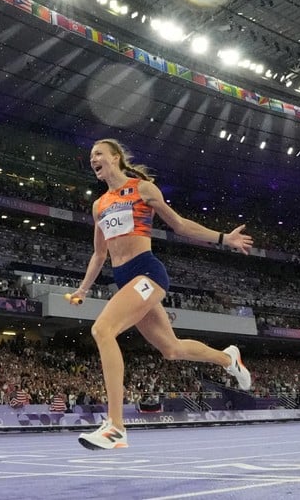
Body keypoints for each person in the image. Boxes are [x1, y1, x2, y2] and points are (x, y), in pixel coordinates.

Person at [70, 138, 254, 450]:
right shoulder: (98, 205)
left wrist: (224, 238)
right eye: (91, 155)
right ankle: (228, 358)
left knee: (102, 329)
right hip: (124, 279)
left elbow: (180, 226)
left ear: (115, 157)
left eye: (98, 153)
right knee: (171, 349)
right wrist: (83, 289)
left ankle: (115, 426)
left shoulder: (142, 189)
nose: (93, 159)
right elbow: (99, 255)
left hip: (147, 273)